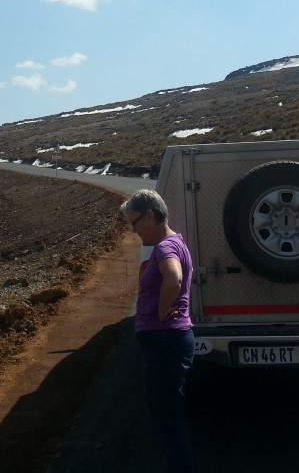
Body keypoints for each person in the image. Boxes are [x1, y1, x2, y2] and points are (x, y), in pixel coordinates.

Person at [121, 189, 196, 473]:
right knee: (170, 415)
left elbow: (174, 279)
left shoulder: (165, 248)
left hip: (164, 343)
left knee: (166, 419)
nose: (134, 230)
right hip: (171, 341)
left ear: (150, 215)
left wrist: (162, 311)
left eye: (135, 222)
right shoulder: (175, 242)